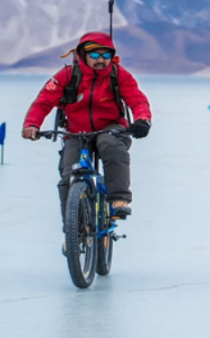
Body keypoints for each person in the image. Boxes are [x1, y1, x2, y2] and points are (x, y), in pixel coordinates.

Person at [22, 31, 152, 228]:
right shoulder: (67, 75)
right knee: (68, 176)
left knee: (110, 145)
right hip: (76, 131)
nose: (101, 60)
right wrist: (32, 125)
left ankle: (118, 199)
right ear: (83, 54)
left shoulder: (119, 75)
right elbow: (43, 102)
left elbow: (137, 99)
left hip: (111, 128)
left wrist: (143, 120)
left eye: (106, 55)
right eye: (94, 55)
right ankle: (72, 230)